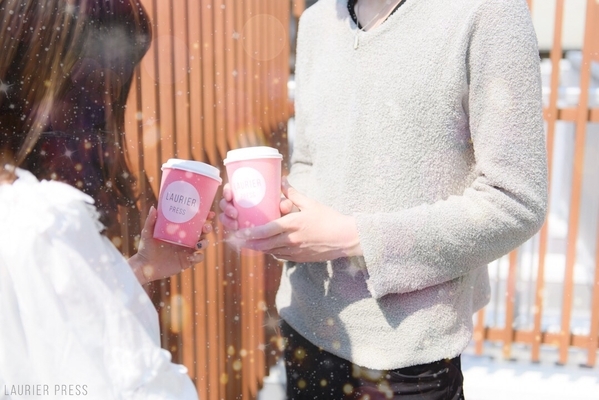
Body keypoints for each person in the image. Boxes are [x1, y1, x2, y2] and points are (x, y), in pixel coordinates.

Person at [219, 0, 548, 398]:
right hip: (305, 328)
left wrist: (350, 237)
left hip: (408, 356)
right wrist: (277, 214)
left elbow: (515, 201)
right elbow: (310, 162)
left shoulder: (486, 12)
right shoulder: (316, 21)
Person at [0, 1, 208, 397]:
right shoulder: (46, 220)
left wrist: (141, 267)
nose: (106, 109)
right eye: (102, 81)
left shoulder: (21, 207)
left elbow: (42, 315)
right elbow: (134, 386)